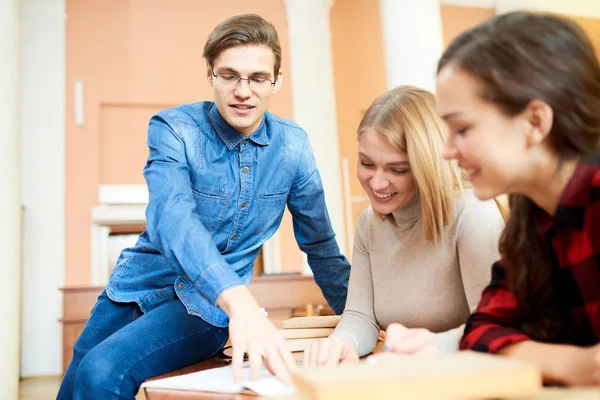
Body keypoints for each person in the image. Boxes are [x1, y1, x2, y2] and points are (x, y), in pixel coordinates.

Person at [57, 14, 350, 399]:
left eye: (258, 78)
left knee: (102, 372)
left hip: (205, 307)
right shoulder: (175, 128)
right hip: (133, 289)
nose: (243, 91)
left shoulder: (293, 148)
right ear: (210, 73)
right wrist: (240, 299)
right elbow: (171, 218)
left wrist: (361, 317)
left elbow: (321, 247)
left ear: (276, 81)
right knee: (74, 383)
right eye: (229, 75)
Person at [436, 11, 600, 386]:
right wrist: (579, 366)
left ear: (535, 122)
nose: (447, 150)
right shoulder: (535, 217)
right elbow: (480, 332)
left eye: (461, 128)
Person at [303, 86, 504, 367]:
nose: (377, 183)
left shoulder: (472, 214)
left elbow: (496, 325)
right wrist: (342, 343)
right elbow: (361, 316)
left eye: (397, 169)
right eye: (367, 164)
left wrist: (438, 346)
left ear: (428, 165)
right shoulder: (368, 225)